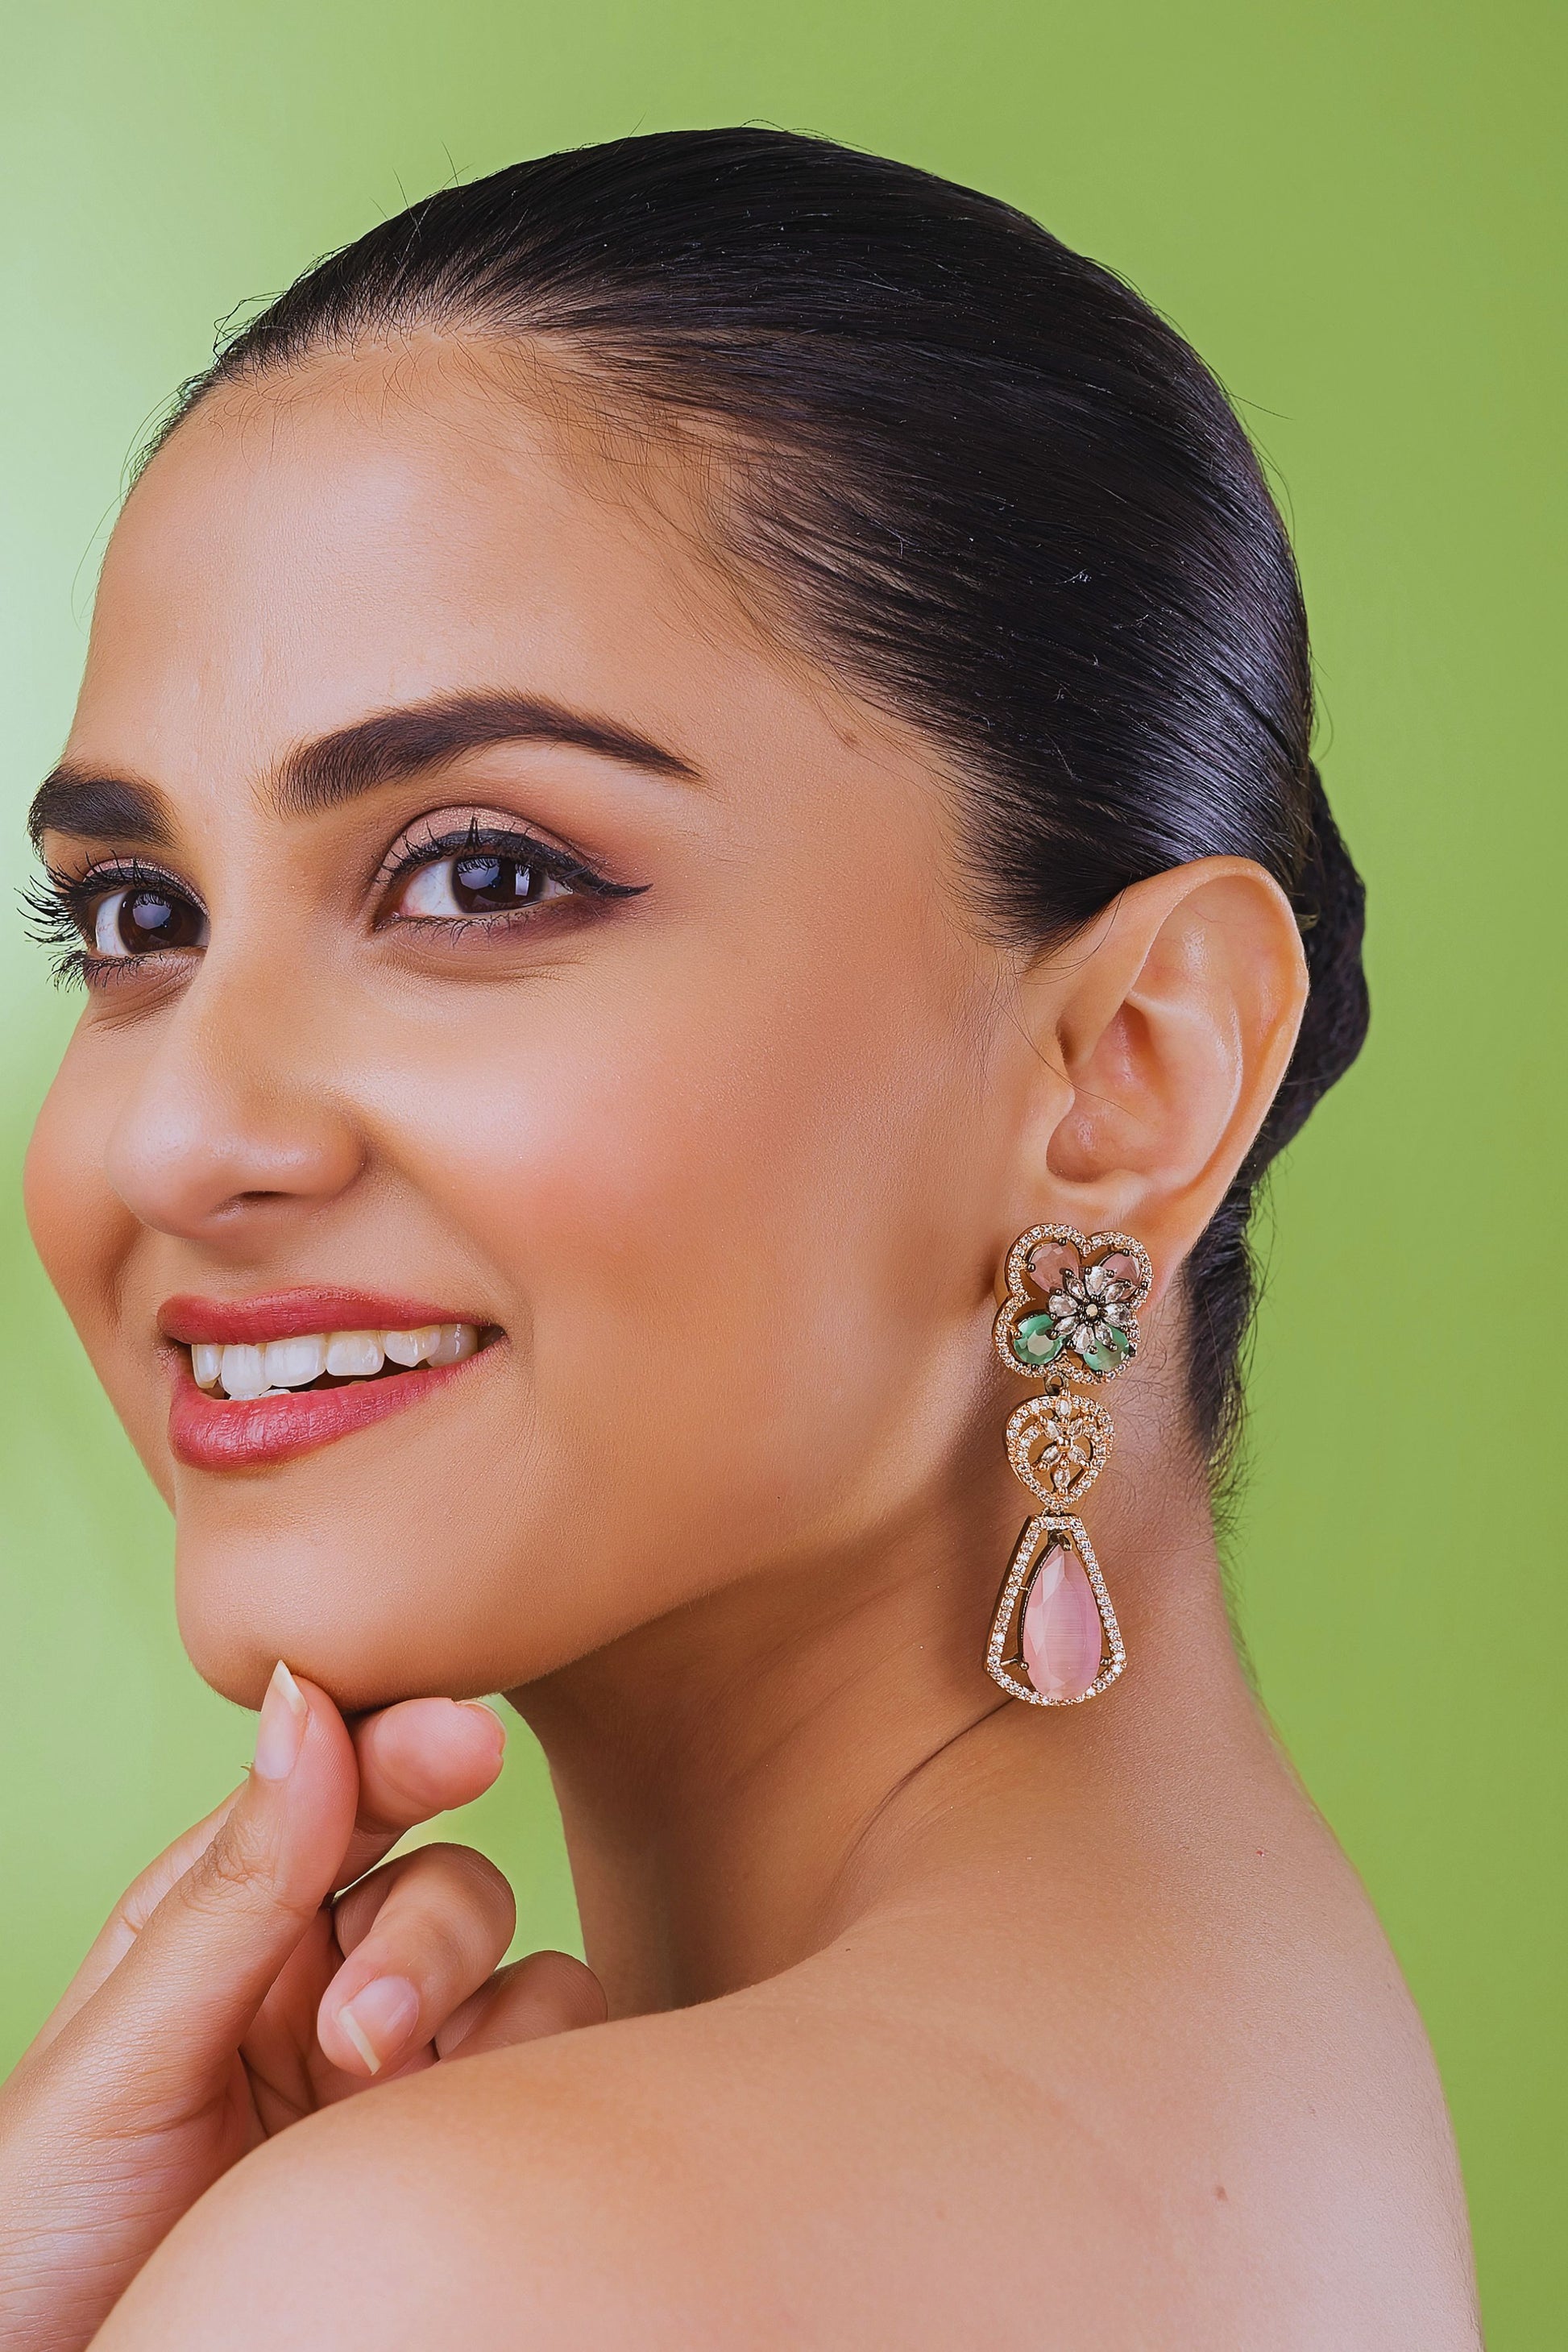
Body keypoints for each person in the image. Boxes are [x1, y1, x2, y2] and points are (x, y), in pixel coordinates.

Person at [1, 129, 1480, 2348]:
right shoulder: (1271, 2092)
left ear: (1128, 1074)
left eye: (480, 876)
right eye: (137, 920)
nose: (188, 1133)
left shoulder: (457, 2270)